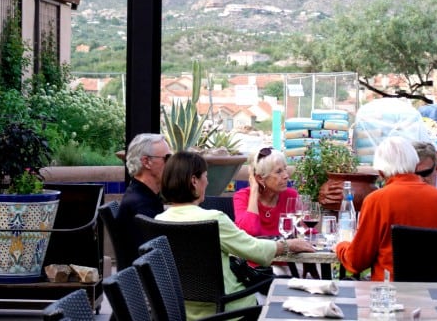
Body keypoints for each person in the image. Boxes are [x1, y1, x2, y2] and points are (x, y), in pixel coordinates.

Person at [156, 152, 314, 321]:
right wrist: (288, 245)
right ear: (194, 181)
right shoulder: (213, 219)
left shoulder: (159, 221)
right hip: (229, 310)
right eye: (205, 176)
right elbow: (254, 249)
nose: (207, 182)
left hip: (182, 311)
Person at [334, 136, 437, 281]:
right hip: (436, 292)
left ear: (381, 173)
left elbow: (357, 261)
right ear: (414, 164)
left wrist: (341, 246)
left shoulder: (377, 201)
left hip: (390, 293)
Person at [117, 133, 172, 268]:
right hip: (146, 283)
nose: (171, 164)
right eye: (167, 158)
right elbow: (156, 256)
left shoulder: (139, 195)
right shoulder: (142, 206)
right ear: (146, 162)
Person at [233, 146, 297, 236]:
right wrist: (254, 189)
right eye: (279, 172)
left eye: (285, 169)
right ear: (260, 178)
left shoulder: (291, 196)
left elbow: (306, 231)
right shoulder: (242, 197)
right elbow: (248, 232)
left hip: (285, 249)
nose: (286, 175)